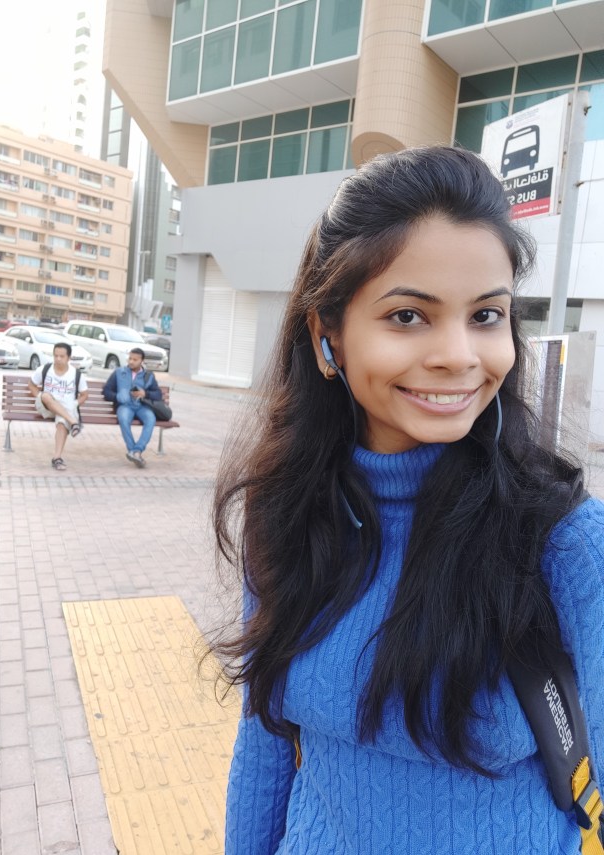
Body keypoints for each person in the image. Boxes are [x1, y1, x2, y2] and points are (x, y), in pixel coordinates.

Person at [213, 146, 604, 854]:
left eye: (486, 315)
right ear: (327, 335)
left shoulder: (566, 543)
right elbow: (264, 744)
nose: (459, 354)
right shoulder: (285, 517)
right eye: (407, 316)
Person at [28, 341, 88, 471]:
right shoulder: (44, 369)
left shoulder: (76, 374)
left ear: (69, 358)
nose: (58, 359)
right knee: (46, 396)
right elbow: (31, 385)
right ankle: (73, 422)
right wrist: (38, 396)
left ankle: (57, 458)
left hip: (65, 408)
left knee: (62, 422)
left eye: (62, 356)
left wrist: (75, 404)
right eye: (56, 356)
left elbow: (84, 395)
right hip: (46, 406)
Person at [102, 347, 162, 468]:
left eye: (135, 359)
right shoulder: (119, 372)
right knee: (123, 419)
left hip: (142, 406)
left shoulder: (148, 376)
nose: (131, 361)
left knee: (151, 419)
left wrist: (145, 393)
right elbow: (106, 391)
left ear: (142, 361)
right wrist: (117, 396)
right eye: (130, 358)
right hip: (125, 406)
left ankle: (136, 450)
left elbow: (158, 394)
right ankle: (134, 452)